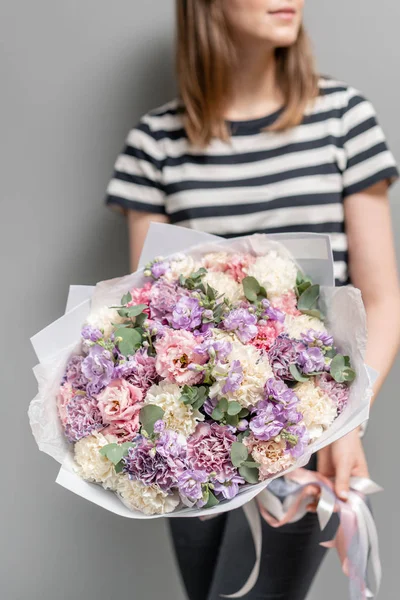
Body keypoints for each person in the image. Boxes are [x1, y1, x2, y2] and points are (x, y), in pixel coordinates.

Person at [105, 1, 400, 598]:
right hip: (199, 441)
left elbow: (381, 295)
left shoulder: (343, 118)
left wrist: (341, 424)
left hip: (313, 427)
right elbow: (148, 317)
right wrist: (203, 438)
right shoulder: (155, 143)